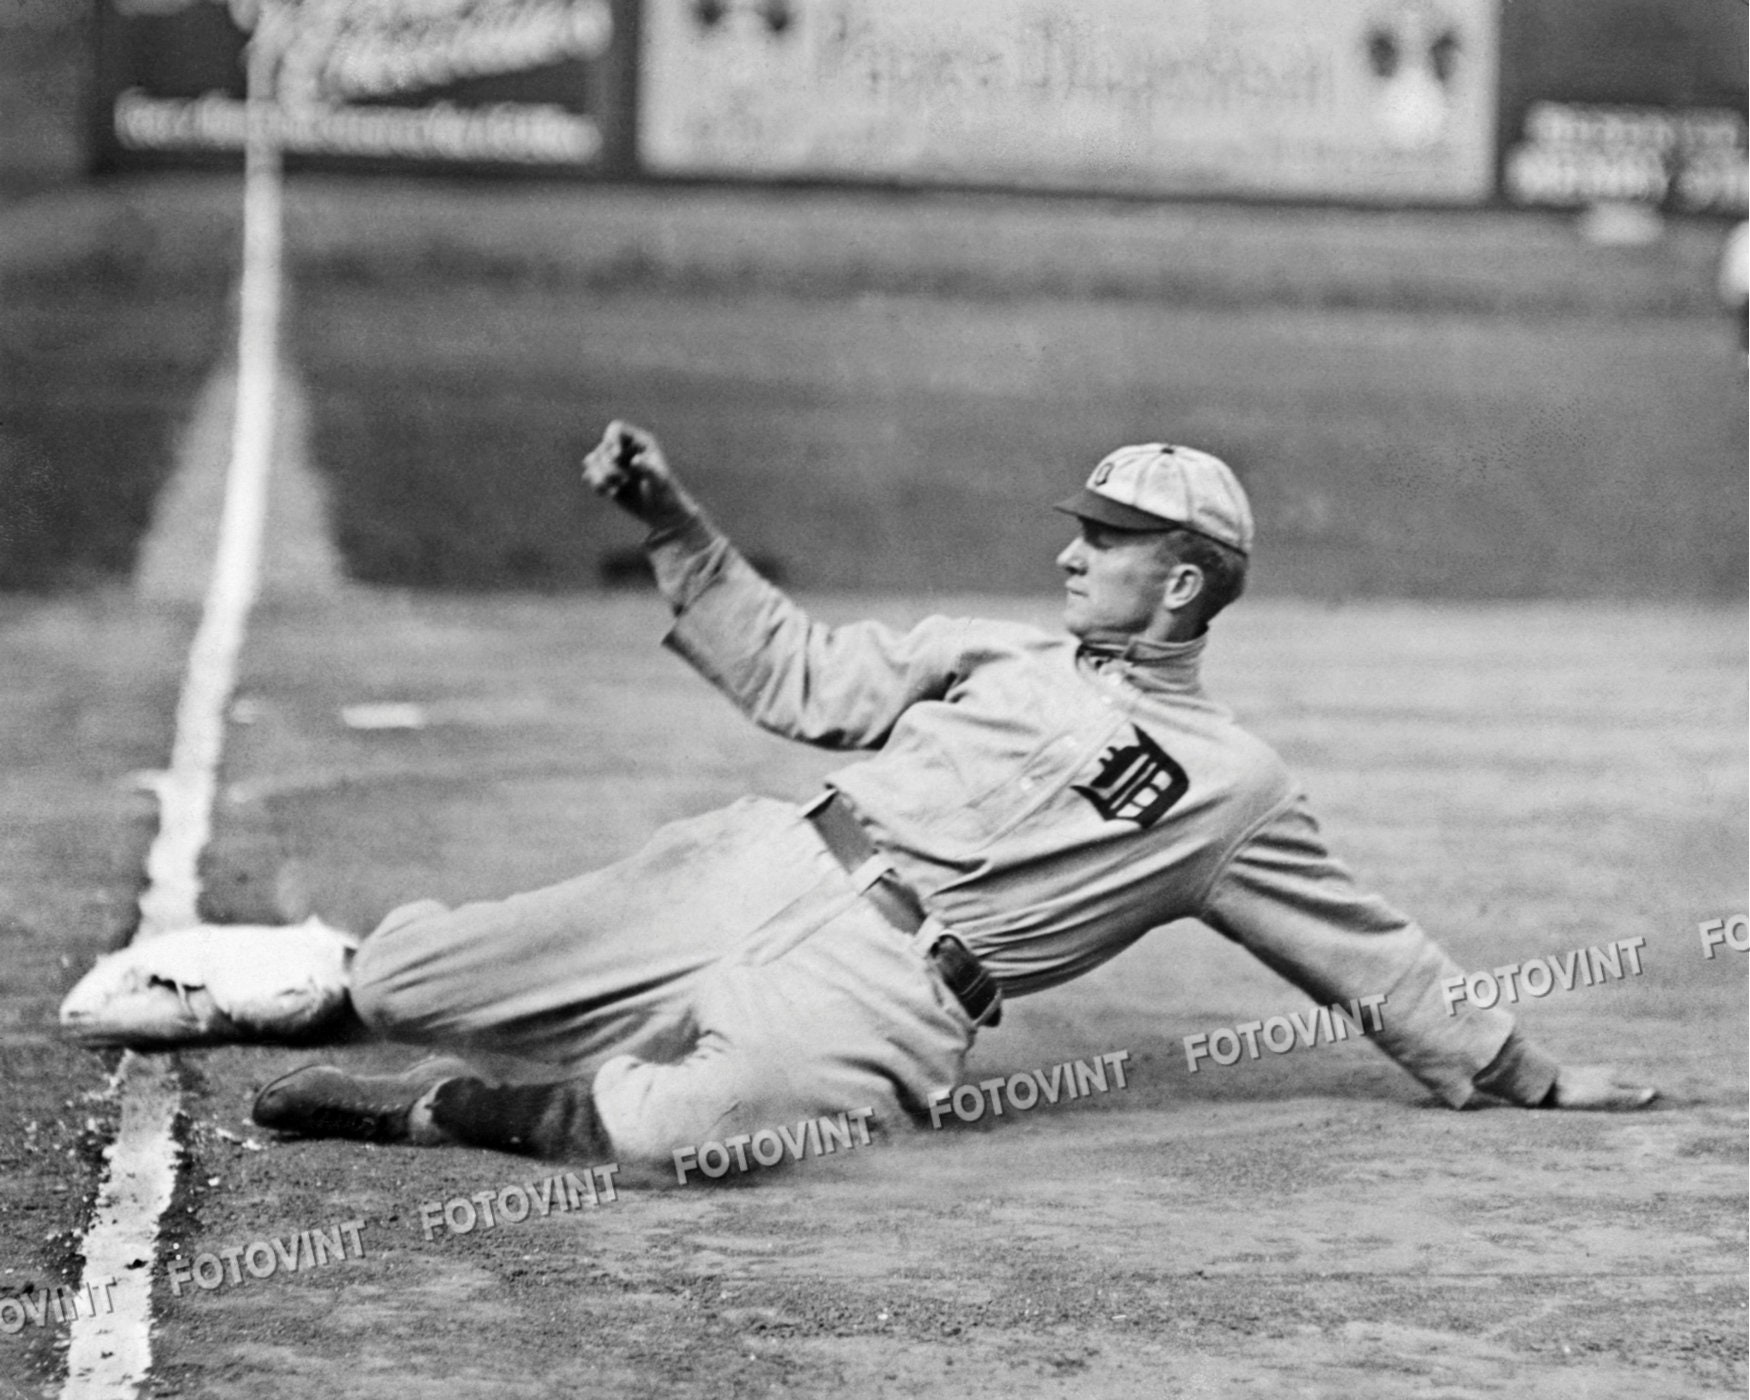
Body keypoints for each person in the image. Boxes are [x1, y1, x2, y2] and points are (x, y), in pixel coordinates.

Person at [252, 423, 1655, 1165]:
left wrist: (1518, 1072)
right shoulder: (997, 650)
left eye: (1105, 541)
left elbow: (1365, 948)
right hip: (761, 863)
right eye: (1078, 530)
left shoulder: (1232, 791)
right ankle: (313, 983)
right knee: (412, 973)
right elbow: (802, 680)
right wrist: (676, 526)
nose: (1070, 555)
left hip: (890, 989)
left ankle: (440, 1113)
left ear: (1179, 581)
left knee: (680, 1135)